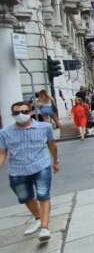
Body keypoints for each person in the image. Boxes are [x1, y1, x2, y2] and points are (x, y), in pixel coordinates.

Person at [0, 101, 59, 242]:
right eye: (16, 113)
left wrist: (55, 161)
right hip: (17, 171)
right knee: (25, 198)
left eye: (24, 112)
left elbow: (52, 145)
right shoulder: (4, 133)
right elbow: (2, 153)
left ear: (31, 112)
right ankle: (38, 217)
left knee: (43, 196)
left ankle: (45, 228)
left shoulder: (46, 127)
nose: (21, 115)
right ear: (12, 115)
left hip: (41, 166)